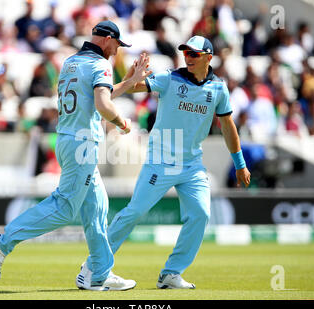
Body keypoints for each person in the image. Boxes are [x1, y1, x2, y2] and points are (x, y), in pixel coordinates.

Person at [0, 20, 151, 291]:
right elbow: (102, 104)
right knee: (65, 208)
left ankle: (98, 273)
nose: (117, 51)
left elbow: (99, 96)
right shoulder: (100, 65)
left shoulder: (71, 62)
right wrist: (122, 122)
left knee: (97, 207)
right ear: (108, 40)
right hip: (82, 144)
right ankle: (2, 242)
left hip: (68, 139)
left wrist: (130, 82)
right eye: (117, 45)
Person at [106, 35, 251, 289]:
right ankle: (95, 264)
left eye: (194, 54)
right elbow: (130, 88)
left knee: (200, 214)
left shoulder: (218, 88)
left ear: (209, 57)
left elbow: (228, 127)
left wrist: (240, 164)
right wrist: (132, 74)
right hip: (160, 162)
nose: (188, 58)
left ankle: (171, 273)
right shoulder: (169, 78)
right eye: (186, 53)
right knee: (135, 212)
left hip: (192, 165)